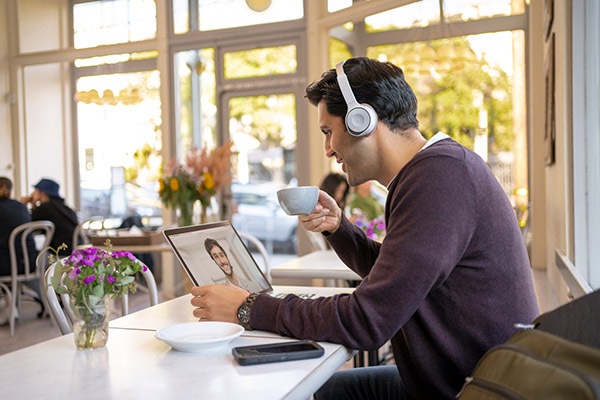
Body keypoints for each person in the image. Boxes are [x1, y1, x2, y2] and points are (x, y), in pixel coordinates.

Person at [189, 57, 539, 399]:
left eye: (328, 132)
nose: (328, 150)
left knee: (313, 389)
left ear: (362, 120)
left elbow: (368, 320)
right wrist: (340, 228)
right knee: (321, 389)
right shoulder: (433, 171)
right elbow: (400, 280)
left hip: (474, 390)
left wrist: (249, 307)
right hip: (459, 378)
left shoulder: (440, 180)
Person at [0, 177, 44, 318]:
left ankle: (10, 308)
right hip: (29, 263)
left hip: (7, 267)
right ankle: (11, 308)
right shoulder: (20, 207)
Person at [20, 178, 78, 255]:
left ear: (43, 193)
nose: (32, 193)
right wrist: (34, 205)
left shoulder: (46, 207)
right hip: (73, 250)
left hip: (59, 253)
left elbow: (26, 222)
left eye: (35, 190)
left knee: (31, 255)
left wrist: (21, 204)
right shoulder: (65, 208)